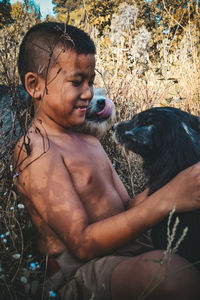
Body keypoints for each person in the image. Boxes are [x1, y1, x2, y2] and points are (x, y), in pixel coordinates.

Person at [14, 22, 200, 300]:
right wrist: (166, 199)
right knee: (170, 272)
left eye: (90, 81)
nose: (89, 92)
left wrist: (175, 184)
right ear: (35, 85)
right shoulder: (36, 149)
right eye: (77, 82)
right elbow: (82, 244)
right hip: (83, 271)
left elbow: (125, 206)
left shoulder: (88, 140)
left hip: (129, 249)